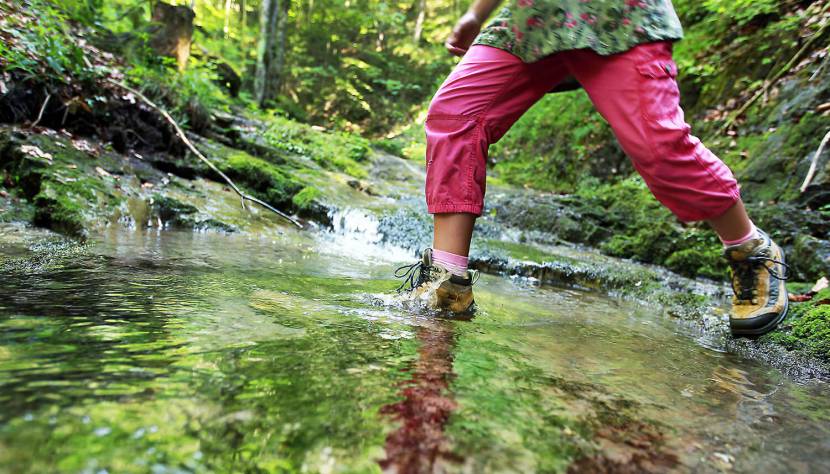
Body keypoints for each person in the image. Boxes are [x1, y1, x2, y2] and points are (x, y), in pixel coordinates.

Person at [395, 0, 790, 336]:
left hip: (619, 15)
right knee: (456, 114)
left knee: (659, 145)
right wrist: (477, 14)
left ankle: (751, 249)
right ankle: (447, 282)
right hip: (536, 18)